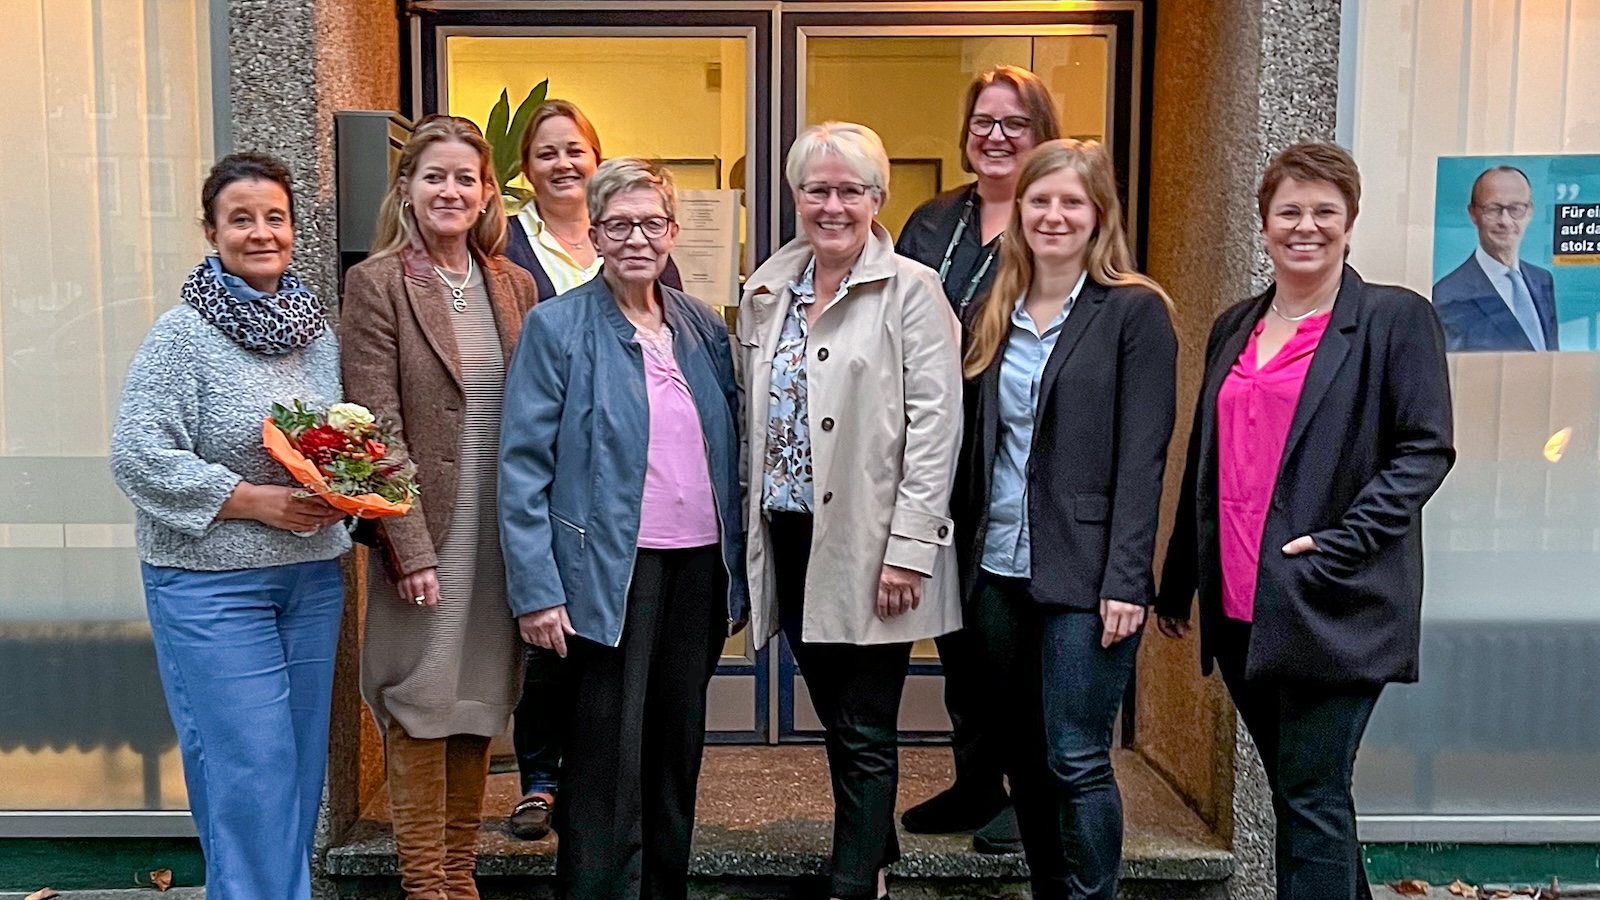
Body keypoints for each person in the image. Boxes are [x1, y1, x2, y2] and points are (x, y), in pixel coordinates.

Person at [1156, 142, 1455, 900]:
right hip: (1243, 607)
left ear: (1350, 222)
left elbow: (1425, 450)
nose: (1306, 226)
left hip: (1334, 602)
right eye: (1289, 210)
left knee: (1313, 798)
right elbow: (1208, 457)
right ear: (1264, 225)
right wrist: (1178, 582)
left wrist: (1341, 543)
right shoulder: (1236, 324)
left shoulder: (1393, 320)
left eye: (1325, 211)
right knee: (1308, 800)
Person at [499, 157, 747, 900]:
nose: (636, 238)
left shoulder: (702, 325)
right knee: (607, 753)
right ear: (596, 233)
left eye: (651, 223)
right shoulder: (557, 326)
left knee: (676, 747)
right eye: (618, 224)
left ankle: (663, 888)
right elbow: (521, 466)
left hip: (698, 566)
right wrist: (537, 591)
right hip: (610, 572)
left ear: (672, 231)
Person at [110, 152, 348, 900]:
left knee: (298, 770)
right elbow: (137, 455)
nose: (260, 232)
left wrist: (349, 485)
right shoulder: (183, 336)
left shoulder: (315, 333)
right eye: (240, 219)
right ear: (211, 232)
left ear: (293, 229)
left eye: (273, 217)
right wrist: (251, 499)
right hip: (211, 586)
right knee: (248, 766)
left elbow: (330, 439)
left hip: (311, 576)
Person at [738, 122, 963, 900]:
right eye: (816, 189)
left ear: (877, 198)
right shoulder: (768, 290)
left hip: (874, 543)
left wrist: (911, 547)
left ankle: (853, 877)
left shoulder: (913, 289)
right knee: (836, 711)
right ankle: (877, 841)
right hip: (791, 532)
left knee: (865, 720)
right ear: (796, 196)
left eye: (848, 190)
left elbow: (938, 426)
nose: (831, 205)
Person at [951, 139, 1176, 900]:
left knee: (1076, 756)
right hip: (998, 571)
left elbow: (1144, 459)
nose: (1053, 215)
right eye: (1039, 200)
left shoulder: (1135, 312)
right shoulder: (992, 309)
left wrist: (1127, 579)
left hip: (1087, 576)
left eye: (1070, 202)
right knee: (1021, 756)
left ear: (1098, 214)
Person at [340, 115, 539, 900]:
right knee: (420, 695)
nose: (450, 190)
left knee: (480, 696)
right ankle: (428, 886)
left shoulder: (512, 282)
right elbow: (374, 426)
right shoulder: (378, 283)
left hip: (500, 533)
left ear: (487, 191)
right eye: (434, 177)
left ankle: (461, 879)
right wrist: (410, 547)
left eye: (466, 177)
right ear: (407, 189)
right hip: (425, 534)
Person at [894, 63, 1061, 853]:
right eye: (983, 122)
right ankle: (973, 783)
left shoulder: (1055, 220)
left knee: (1008, 643)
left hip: (1013, 455)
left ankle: (1026, 801)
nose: (995, 137)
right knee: (956, 634)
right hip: (936, 453)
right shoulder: (932, 222)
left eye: (1014, 123)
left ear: (1042, 135)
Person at [1432, 165, 1558, 351]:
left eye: (1516, 209)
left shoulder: (1542, 279)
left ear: (1530, 212)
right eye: (1493, 209)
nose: (1505, 221)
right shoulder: (1448, 293)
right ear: (1473, 213)